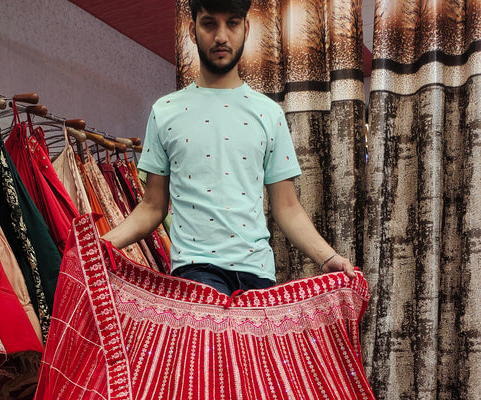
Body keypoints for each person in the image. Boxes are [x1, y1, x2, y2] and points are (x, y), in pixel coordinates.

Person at [104, 0, 355, 294]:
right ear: (192, 30)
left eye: (232, 23)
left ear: (246, 28)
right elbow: (152, 207)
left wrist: (326, 256)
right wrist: (99, 246)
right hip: (196, 273)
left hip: (258, 275)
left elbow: (287, 206)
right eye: (210, 23)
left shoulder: (269, 113)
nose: (221, 36)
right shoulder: (165, 112)